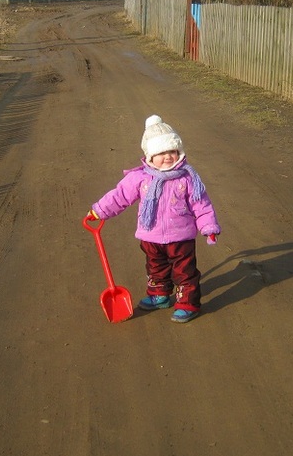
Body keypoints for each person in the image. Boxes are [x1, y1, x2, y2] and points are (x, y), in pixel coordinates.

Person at [87, 115, 220, 323]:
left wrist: (208, 226)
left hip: (181, 237)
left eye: (172, 151)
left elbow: (201, 204)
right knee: (156, 268)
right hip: (150, 236)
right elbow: (119, 196)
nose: (168, 157)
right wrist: (98, 211)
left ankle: (187, 303)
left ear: (179, 152)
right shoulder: (140, 177)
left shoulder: (187, 178)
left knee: (185, 272)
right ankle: (159, 295)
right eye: (161, 153)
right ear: (150, 156)